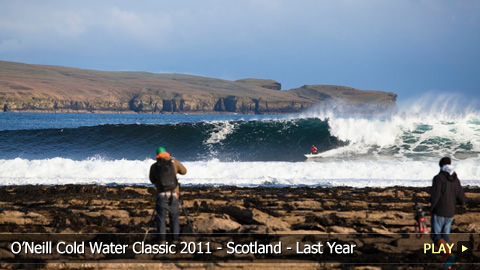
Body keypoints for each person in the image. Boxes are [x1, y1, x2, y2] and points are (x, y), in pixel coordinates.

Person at [430, 157, 465, 266]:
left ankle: (449, 255)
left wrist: (430, 208)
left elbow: (435, 196)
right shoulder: (455, 179)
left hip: (439, 211)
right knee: (445, 239)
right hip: (450, 213)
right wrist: (461, 203)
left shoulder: (438, 178)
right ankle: (446, 264)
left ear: (441, 166)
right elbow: (461, 198)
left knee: (436, 236)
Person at [149, 147, 187, 242]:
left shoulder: (154, 166)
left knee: (161, 218)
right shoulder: (174, 163)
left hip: (161, 195)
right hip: (174, 194)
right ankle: (175, 240)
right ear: (166, 153)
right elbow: (184, 171)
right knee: (174, 218)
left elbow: (152, 180)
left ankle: (162, 242)